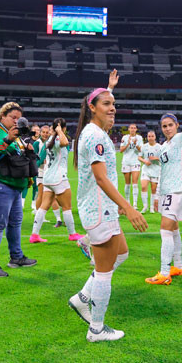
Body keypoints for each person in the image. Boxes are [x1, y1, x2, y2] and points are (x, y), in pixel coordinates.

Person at [68, 70, 148, 342]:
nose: (113, 108)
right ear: (92, 108)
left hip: (102, 208)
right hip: (99, 209)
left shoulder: (93, 131)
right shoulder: (95, 136)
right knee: (104, 272)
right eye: (106, 104)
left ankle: (82, 299)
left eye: (114, 104)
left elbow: (101, 178)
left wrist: (109, 88)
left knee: (121, 254)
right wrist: (129, 206)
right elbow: (101, 178)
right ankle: (97, 329)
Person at [145, 87, 182, 285]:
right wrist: (158, 195)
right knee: (174, 230)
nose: (167, 128)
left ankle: (164, 272)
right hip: (169, 192)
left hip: (176, 192)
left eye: (170, 125)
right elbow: (162, 170)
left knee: (165, 231)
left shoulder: (179, 139)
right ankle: (178, 266)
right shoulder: (164, 146)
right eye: (164, 126)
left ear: (176, 125)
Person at [0, 102, 38, 278]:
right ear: (2, 116)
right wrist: (8, 140)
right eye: (13, 117)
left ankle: (16, 257)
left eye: (18, 119)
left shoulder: (15, 134)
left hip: (13, 184)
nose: (15, 121)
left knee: (15, 222)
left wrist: (28, 149)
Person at [30, 118, 85, 243]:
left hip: (48, 177)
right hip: (59, 177)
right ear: (63, 128)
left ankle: (34, 235)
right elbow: (65, 142)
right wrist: (60, 131)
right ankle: (72, 234)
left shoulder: (49, 140)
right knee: (67, 207)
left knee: (44, 206)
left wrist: (57, 131)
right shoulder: (58, 138)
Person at [120, 123, 144, 209]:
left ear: (136, 129)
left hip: (135, 161)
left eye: (134, 128)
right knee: (127, 183)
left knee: (135, 183)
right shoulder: (125, 138)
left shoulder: (139, 138)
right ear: (129, 129)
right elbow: (121, 150)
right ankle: (127, 202)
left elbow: (141, 150)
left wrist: (136, 144)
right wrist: (128, 143)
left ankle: (134, 204)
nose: (133, 129)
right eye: (131, 128)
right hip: (126, 162)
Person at [138, 130, 162, 214]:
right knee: (144, 187)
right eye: (149, 136)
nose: (150, 138)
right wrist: (145, 161)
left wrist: (156, 158)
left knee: (153, 189)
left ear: (155, 137)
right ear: (147, 137)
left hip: (155, 169)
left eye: (152, 136)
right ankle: (145, 206)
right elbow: (139, 157)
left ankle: (151, 207)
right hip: (146, 169)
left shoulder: (159, 147)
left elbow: (163, 158)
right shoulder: (144, 146)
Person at [22, 124, 40, 212]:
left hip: (37, 166)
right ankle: (22, 202)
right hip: (27, 165)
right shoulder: (27, 140)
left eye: (38, 130)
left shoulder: (41, 141)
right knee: (26, 184)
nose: (37, 131)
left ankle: (34, 203)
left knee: (35, 186)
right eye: (35, 130)